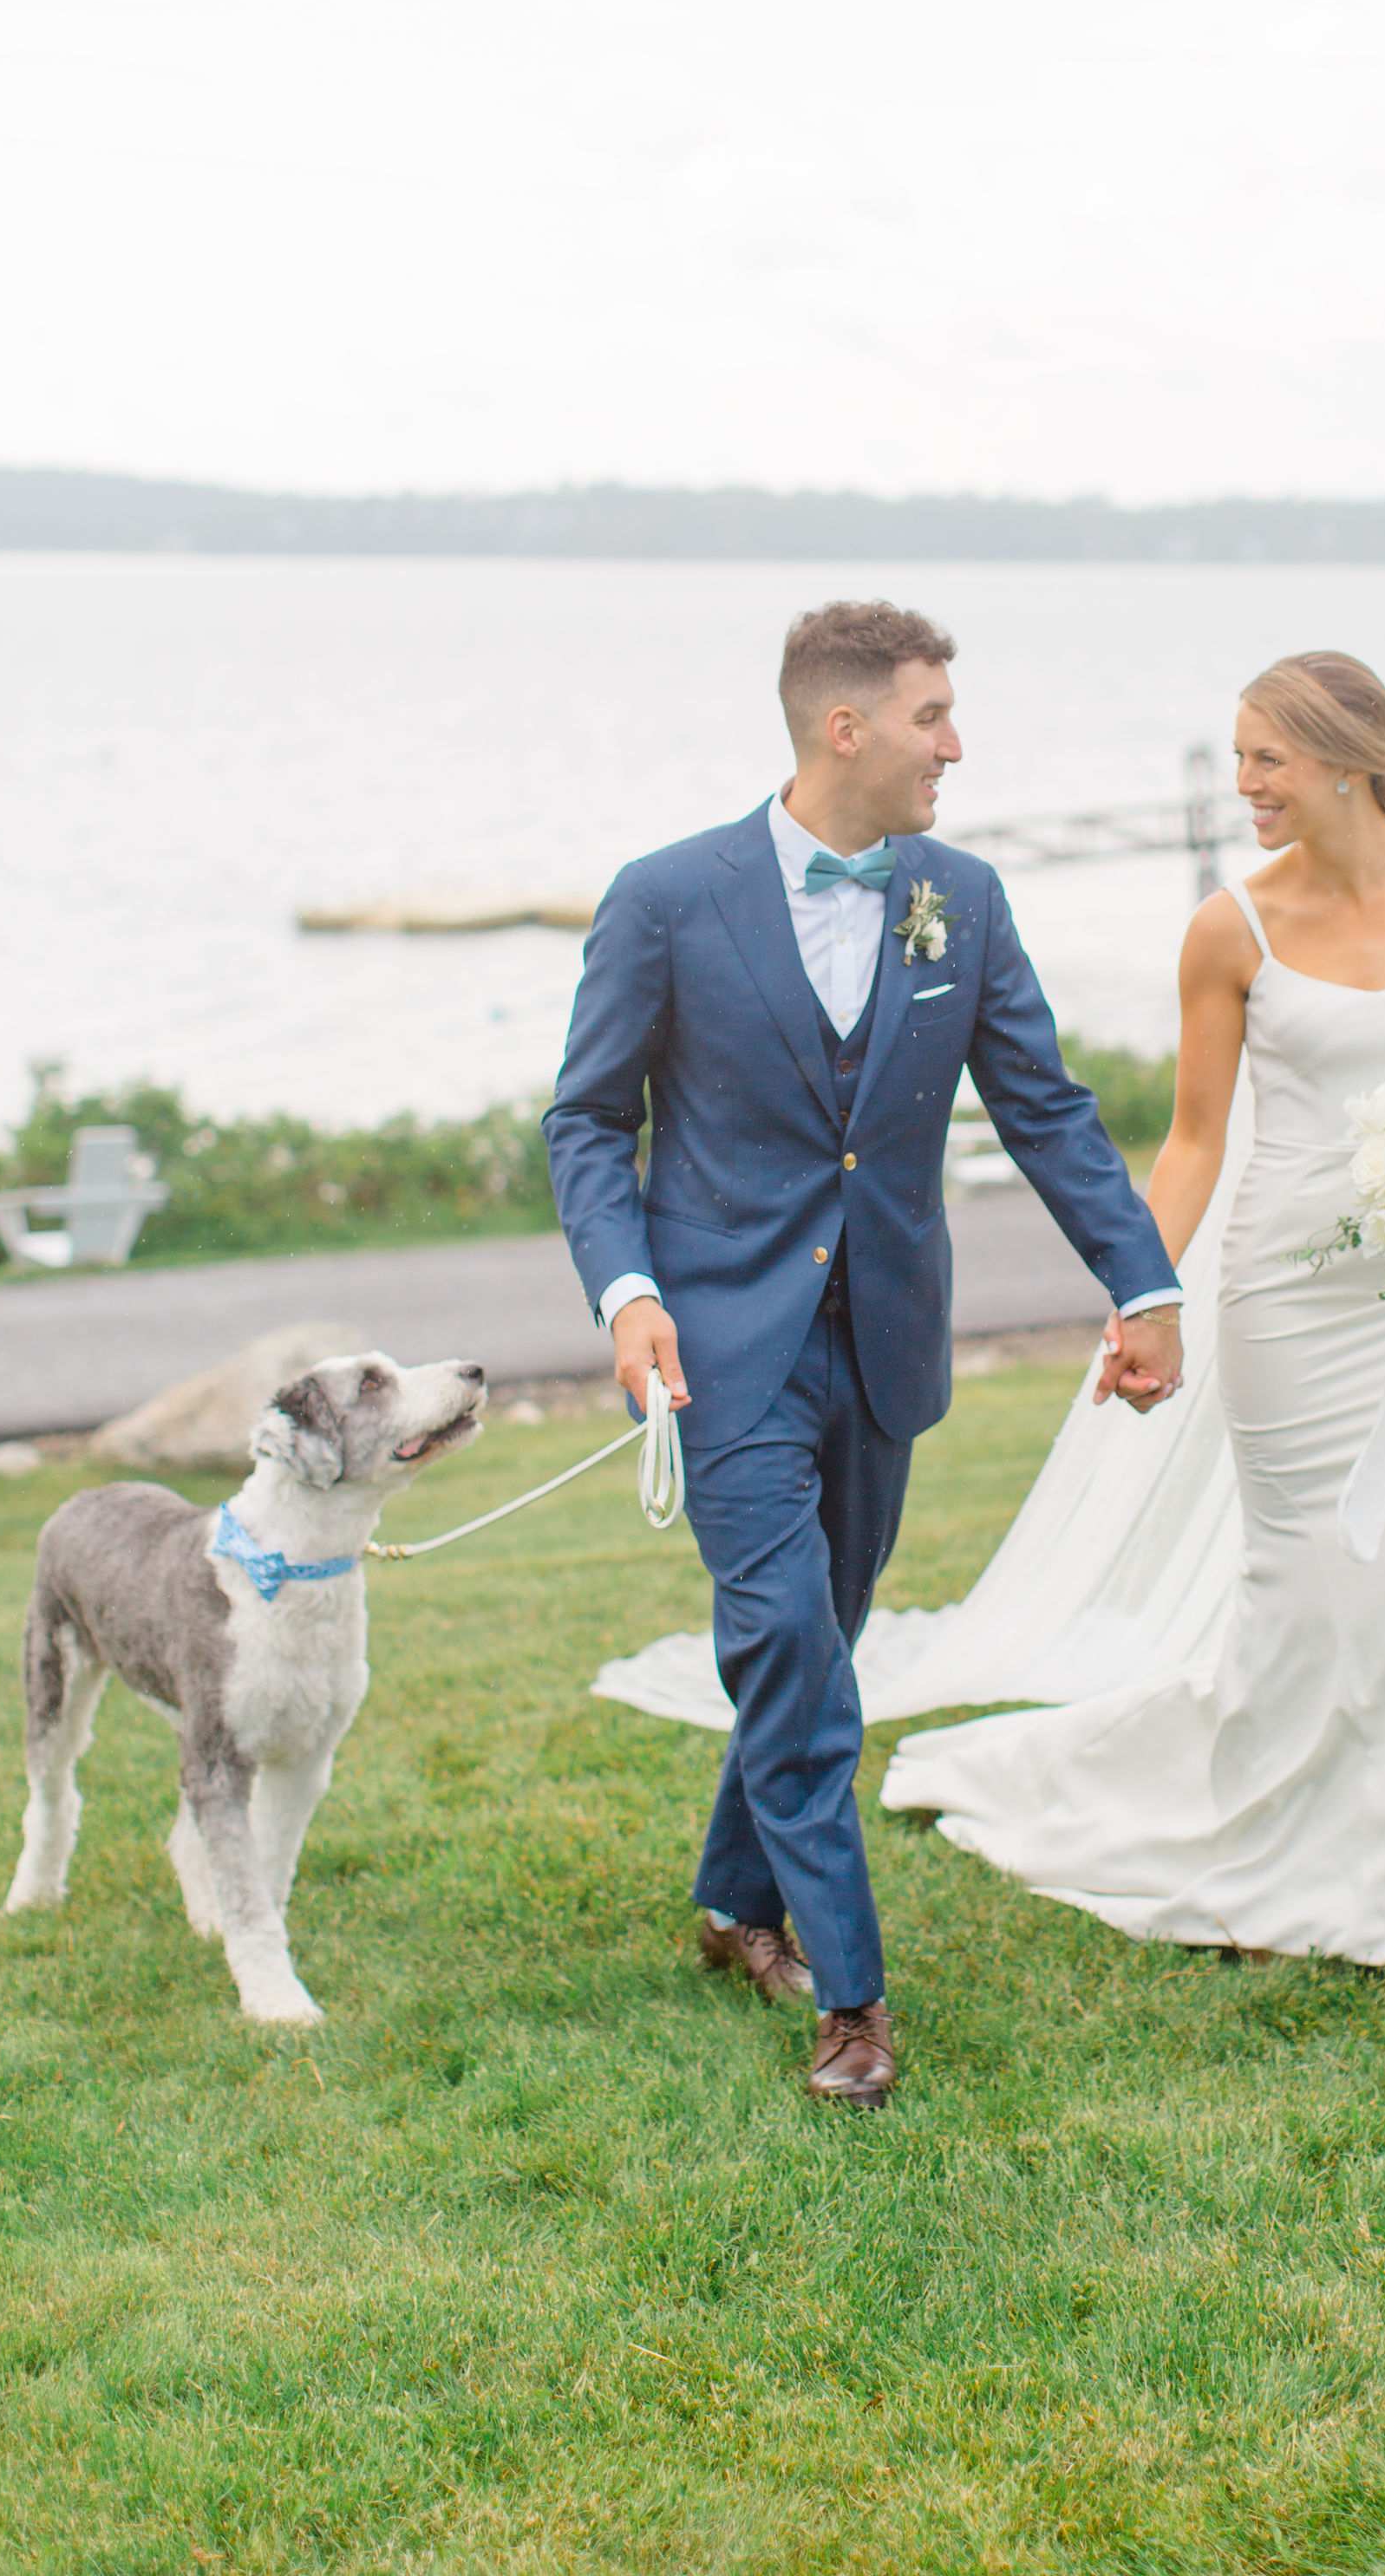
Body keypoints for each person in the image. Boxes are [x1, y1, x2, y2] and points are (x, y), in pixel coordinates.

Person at [544, 599, 1186, 2106]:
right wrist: (626, 1290)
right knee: (787, 1645)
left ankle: (732, 1902)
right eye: (932, 717)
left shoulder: (958, 897)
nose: (954, 745)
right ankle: (851, 1998)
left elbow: (1046, 1110)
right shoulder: (665, 899)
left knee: (813, 1637)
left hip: (885, 1341)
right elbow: (585, 1122)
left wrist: (1142, 1286)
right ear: (848, 728)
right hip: (720, 1347)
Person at [881, 649, 1385, 2004]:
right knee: (1310, 1595)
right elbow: (1197, 1137)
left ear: (1344, 758)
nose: (1246, 782)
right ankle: (1271, 1857)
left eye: (1264, 756)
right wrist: (1142, 1294)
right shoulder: (1230, 929)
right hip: (1289, 1302)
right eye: (1241, 756)